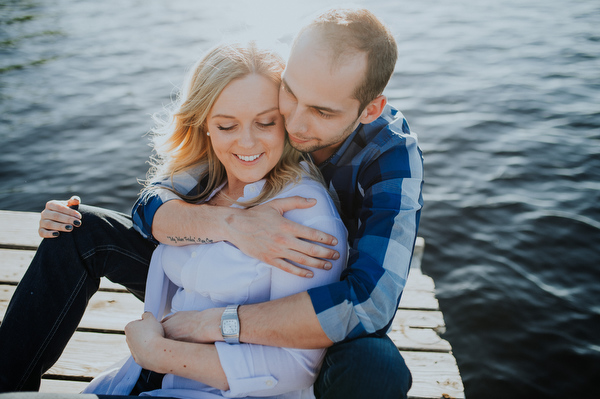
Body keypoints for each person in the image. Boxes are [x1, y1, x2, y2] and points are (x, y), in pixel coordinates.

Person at [0, 7, 423, 399]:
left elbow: (368, 304)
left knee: (374, 367)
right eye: (290, 95)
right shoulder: (255, 109)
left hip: (310, 299)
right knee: (80, 229)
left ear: (370, 109)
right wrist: (231, 225)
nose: (294, 123)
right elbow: (154, 201)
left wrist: (213, 324)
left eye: (322, 112)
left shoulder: (391, 160)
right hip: (228, 264)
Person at [77, 41, 347, 398]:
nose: (247, 143)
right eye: (226, 126)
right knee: (75, 226)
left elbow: (296, 367)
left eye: (266, 122)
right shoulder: (203, 181)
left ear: (287, 121)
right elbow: (148, 207)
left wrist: (160, 354)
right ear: (204, 124)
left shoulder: (305, 214)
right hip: (139, 375)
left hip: (212, 390)